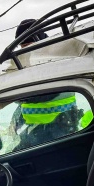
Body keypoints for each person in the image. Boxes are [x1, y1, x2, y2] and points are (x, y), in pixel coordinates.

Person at [11, 19, 83, 151]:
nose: (24, 51)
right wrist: (17, 118)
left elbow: (42, 93)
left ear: (41, 40)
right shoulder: (30, 65)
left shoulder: (54, 60)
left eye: (28, 45)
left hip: (60, 130)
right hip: (38, 131)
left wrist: (16, 96)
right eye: (22, 47)